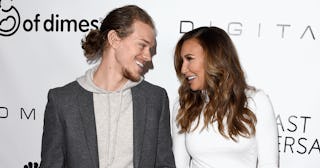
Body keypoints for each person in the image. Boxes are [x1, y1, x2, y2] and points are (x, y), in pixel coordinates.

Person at [40, 5, 175, 168]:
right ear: (114, 39)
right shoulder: (62, 101)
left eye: (150, 49)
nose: (148, 56)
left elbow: (164, 164)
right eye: (142, 45)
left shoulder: (155, 99)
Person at [172, 26, 279, 168]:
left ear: (214, 59)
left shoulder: (256, 101)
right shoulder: (184, 105)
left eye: (189, 59)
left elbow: (269, 164)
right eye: (182, 61)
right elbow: (179, 165)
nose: (183, 69)